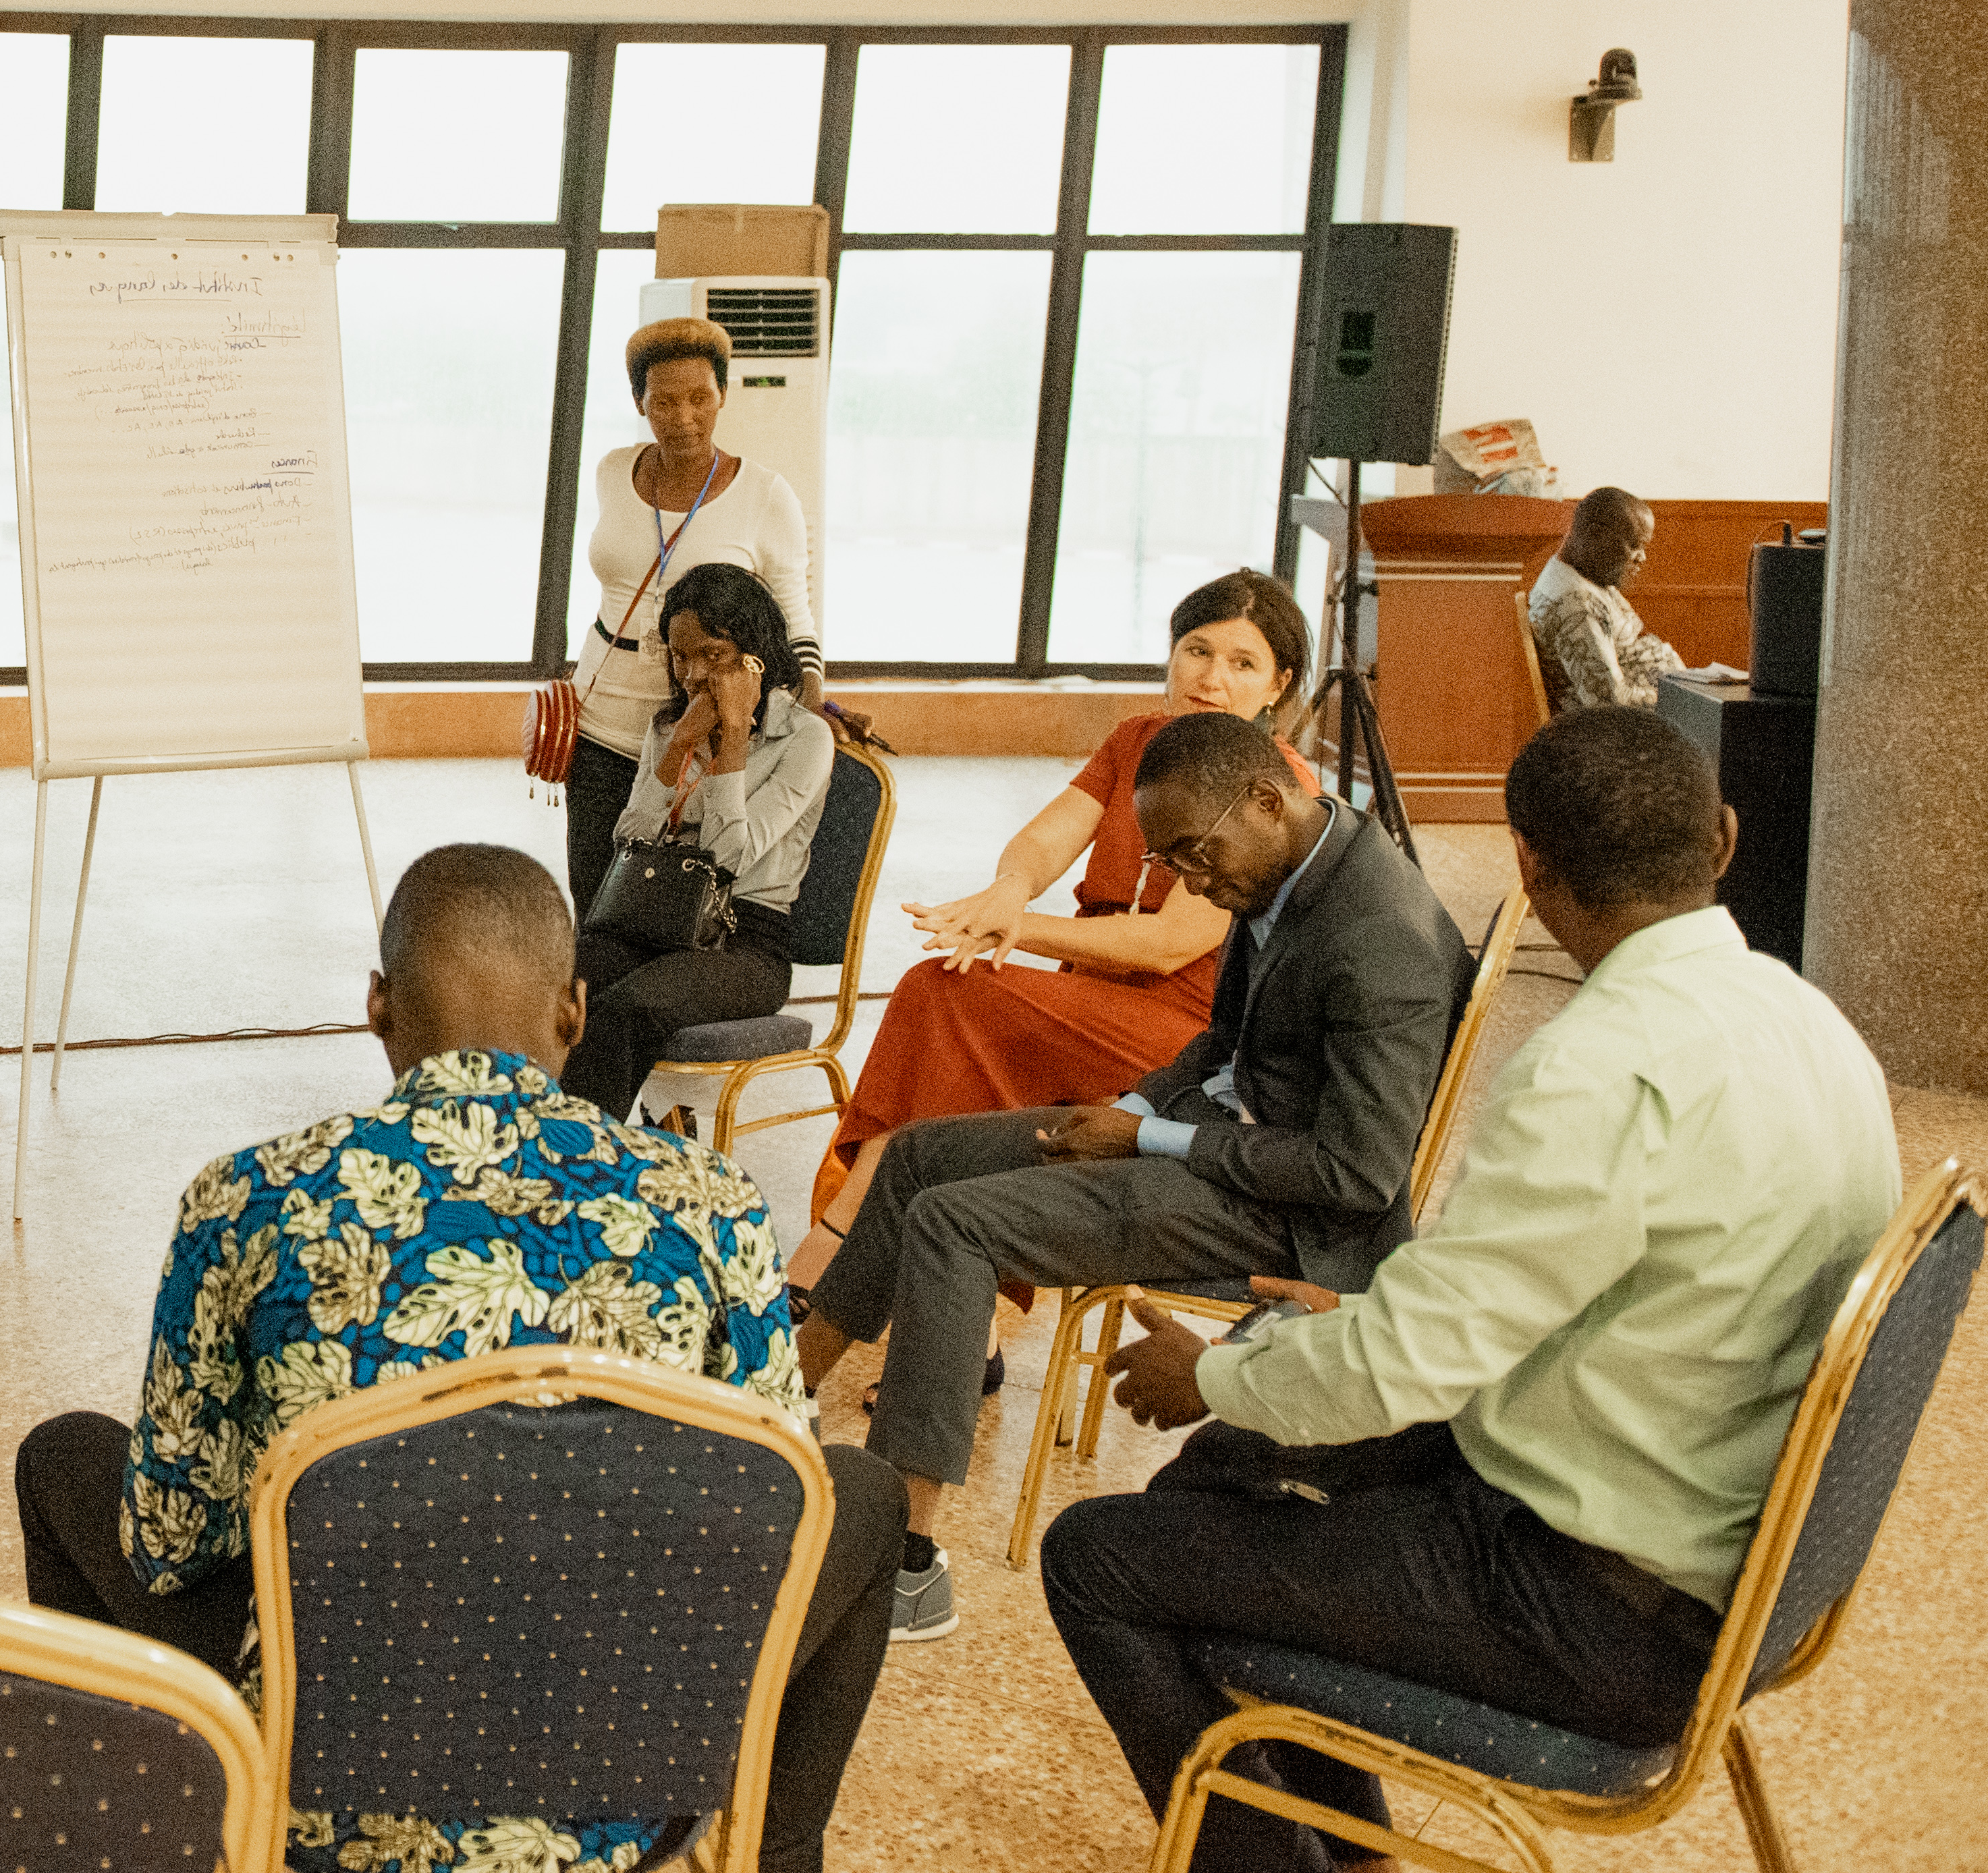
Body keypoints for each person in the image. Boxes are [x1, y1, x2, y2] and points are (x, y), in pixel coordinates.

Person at [1045, 707, 1898, 1873]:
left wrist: (1211, 1370)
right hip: (1715, 1542)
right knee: (1238, 1465)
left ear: (1528, 864)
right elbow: (1574, 1294)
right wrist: (1307, 1365)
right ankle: (1352, 1851)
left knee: (1101, 1554)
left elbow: (1408, 1368)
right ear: (1727, 837)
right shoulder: (1816, 1027)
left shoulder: (1599, 1064)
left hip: (1593, 1606)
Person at [16, 844, 903, 1873]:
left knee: (61, 1460)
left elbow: (169, 1543)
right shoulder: (710, 1200)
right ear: (573, 1011)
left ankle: (150, 1840)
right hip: (628, 1761)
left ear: (379, 1006)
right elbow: (777, 1514)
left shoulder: (245, 1198)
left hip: (333, 1774)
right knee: (864, 1493)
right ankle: (776, 1859)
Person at [795, 710, 1466, 1644]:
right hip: (1216, 1141)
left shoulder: (1379, 938)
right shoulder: (1290, 860)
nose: (1190, 884)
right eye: (1173, 864)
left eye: (1195, 857)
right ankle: (779, 1408)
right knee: (916, 1158)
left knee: (956, 1225)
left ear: (1268, 801)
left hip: (1287, 1215)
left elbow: (1356, 1173)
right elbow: (1220, 1043)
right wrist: (1139, 1109)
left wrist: (1151, 1142)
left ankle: (905, 1569)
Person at [792, 571, 1317, 1289]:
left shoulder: (1275, 786)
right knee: (948, 999)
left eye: (1241, 662)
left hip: (1185, 1036)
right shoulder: (1137, 738)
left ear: (1277, 684)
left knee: (944, 995)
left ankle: (836, 1245)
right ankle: (932, 1295)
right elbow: (1040, 843)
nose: (1210, 676)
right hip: (1088, 1003)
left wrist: (1019, 929)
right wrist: (1009, 890)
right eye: (1196, 650)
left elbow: (1167, 945)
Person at [563, 314, 823, 916]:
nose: (682, 417)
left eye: (700, 398)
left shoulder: (763, 494)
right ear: (638, 402)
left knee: (678, 898)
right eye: (663, 401)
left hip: (695, 721)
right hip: (601, 714)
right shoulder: (611, 472)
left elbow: (796, 621)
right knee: (595, 898)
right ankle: (596, 1009)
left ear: (723, 396)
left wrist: (805, 710)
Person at [563, 560, 835, 1120]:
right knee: (556, 987)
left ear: (755, 655)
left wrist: (732, 738)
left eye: (711, 654)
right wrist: (679, 745)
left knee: (624, 1009)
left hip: (746, 944)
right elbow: (631, 838)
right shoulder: (670, 726)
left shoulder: (805, 738)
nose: (690, 674)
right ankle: (516, 1142)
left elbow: (727, 857)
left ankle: (576, 1165)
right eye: (680, 655)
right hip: (655, 922)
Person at [1528, 486, 1686, 711]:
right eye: (1634, 545)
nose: (1642, 557)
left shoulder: (1582, 574)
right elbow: (1609, 703)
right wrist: (1686, 701)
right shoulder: (1577, 604)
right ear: (1594, 537)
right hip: (1625, 735)